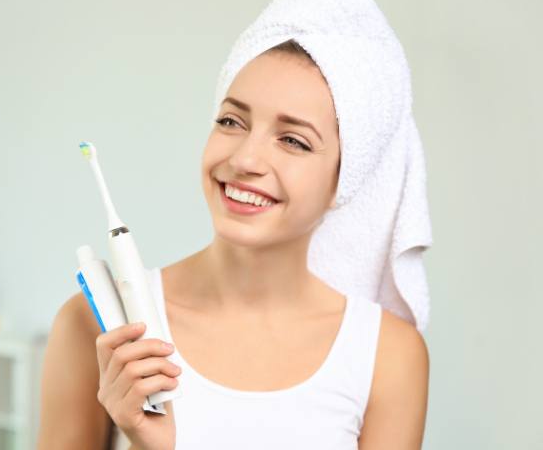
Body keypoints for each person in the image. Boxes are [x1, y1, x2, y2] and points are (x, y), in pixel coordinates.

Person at [37, 35, 429, 449]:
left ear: (345, 180)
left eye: (293, 140)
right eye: (231, 121)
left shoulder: (389, 356)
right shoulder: (100, 327)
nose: (244, 159)